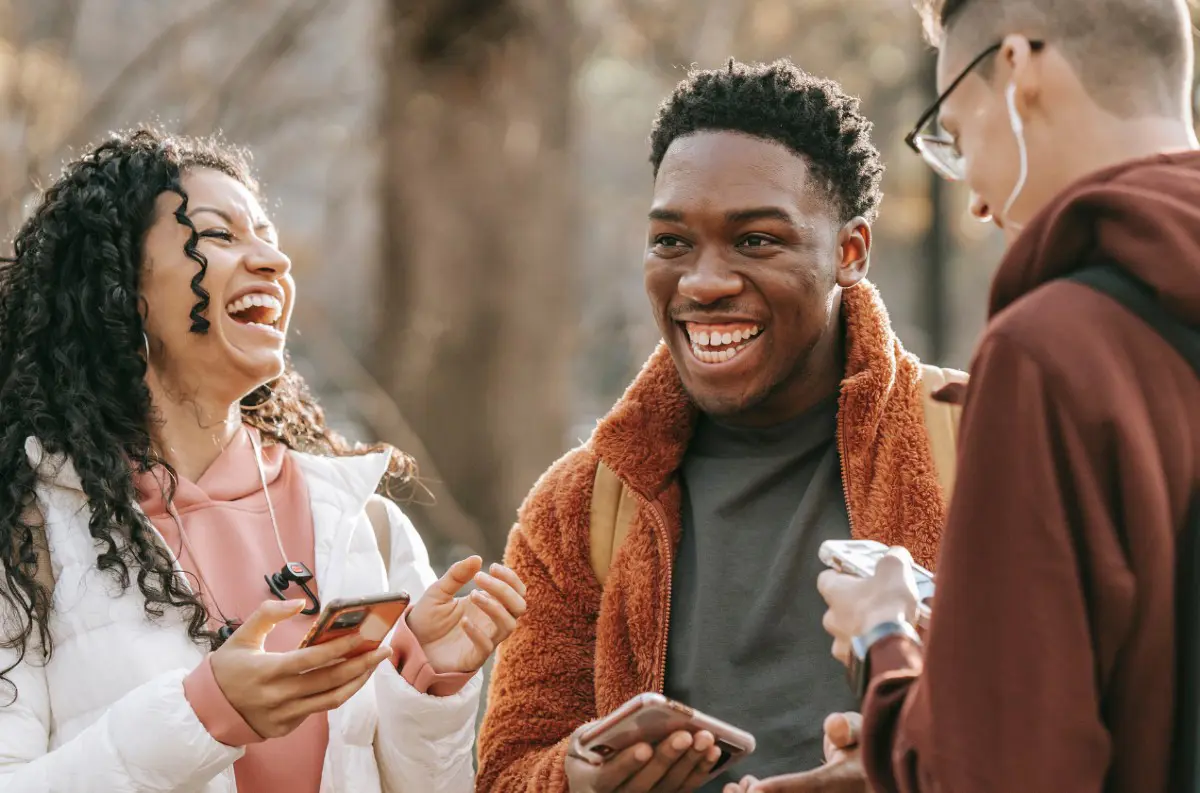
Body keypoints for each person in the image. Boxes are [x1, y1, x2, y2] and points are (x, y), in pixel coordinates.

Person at [477, 59, 965, 793]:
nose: (703, 282)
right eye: (672, 242)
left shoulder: (982, 443)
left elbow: (1089, 726)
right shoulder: (580, 508)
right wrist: (574, 780)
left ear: (850, 252)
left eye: (756, 241)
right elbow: (508, 770)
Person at [0, 128, 527, 793]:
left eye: (269, 239)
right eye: (219, 236)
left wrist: (429, 683)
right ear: (120, 289)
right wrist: (203, 716)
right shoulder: (25, 535)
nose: (273, 263)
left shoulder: (366, 523)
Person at [804, 1, 1200, 792]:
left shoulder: (1051, 354)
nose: (977, 202)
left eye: (953, 129)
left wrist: (887, 637)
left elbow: (1003, 771)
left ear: (1020, 70)